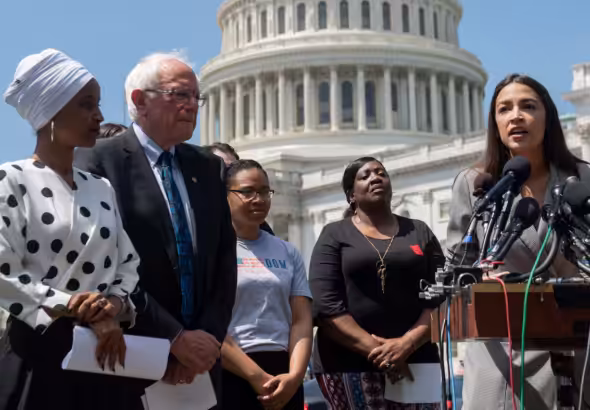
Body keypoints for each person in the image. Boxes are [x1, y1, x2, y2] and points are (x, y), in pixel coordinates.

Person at [74, 51, 237, 405]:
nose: (192, 105)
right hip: (129, 358)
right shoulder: (97, 162)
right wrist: (173, 340)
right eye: (180, 95)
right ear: (139, 101)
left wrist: (204, 342)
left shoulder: (207, 168)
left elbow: (224, 264)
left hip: (200, 369)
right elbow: (105, 265)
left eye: (197, 96)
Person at [0, 49, 140, 410]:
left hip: (102, 354)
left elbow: (127, 262)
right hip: (38, 353)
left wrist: (111, 305)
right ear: (50, 112)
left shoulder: (100, 187)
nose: (99, 116)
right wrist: (76, 307)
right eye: (85, 104)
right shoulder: (10, 180)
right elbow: (4, 273)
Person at [446, 74, 590, 410]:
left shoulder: (583, 179)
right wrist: (479, 278)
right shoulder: (474, 185)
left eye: (528, 106)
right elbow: (458, 267)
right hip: (505, 350)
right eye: (504, 109)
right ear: (494, 123)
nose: (516, 116)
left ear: (547, 117)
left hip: (580, 342)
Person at [309, 157, 444, 410]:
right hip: (348, 363)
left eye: (381, 173)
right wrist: (385, 355)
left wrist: (406, 345)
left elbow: (442, 295)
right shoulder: (334, 234)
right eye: (365, 175)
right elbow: (326, 305)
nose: (375, 177)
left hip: (417, 359)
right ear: (351, 195)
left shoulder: (419, 231)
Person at [220, 159, 312, 409]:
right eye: (247, 192)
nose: (258, 199)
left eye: (264, 192)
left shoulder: (288, 251)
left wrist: (294, 377)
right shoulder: (212, 252)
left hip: (284, 373)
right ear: (225, 196)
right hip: (231, 370)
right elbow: (209, 324)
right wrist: (255, 376)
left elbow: (301, 320)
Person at [204, 142, 275, 236]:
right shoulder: (193, 223)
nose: (227, 176)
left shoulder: (262, 230)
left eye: (232, 169)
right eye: (221, 168)